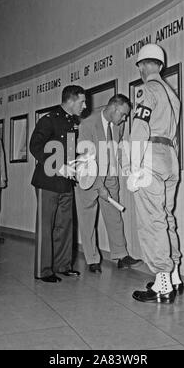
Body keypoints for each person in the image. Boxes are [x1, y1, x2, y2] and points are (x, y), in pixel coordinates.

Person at [127, 44, 183, 304]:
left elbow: (139, 128)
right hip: (170, 158)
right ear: (160, 65)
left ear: (141, 66)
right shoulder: (172, 94)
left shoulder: (146, 89)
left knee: (152, 221)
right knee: (167, 217)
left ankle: (162, 283)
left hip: (150, 157)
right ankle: (175, 276)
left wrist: (133, 167)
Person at [75, 94, 142, 273]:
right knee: (88, 218)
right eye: (124, 114)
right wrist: (99, 186)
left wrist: (129, 172)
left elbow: (118, 149)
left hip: (109, 174)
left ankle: (120, 255)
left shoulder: (117, 125)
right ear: (113, 109)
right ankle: (92, 259)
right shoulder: (88, 123)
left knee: (114, 216)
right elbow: (85, 159)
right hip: (88, 177)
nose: (125, 119)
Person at [30, 85, 86, 283]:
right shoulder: (49, 119)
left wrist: (81, 159)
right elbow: (35, 146)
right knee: (47, 226)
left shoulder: (72, 122)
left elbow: (69, 151)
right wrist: (58, 167)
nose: (84, 106)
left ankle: (62, 265)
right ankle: (43, 270)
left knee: (65, 224)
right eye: (82, 102)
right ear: (70, 101)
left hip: (66, 181)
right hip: (47, 180)